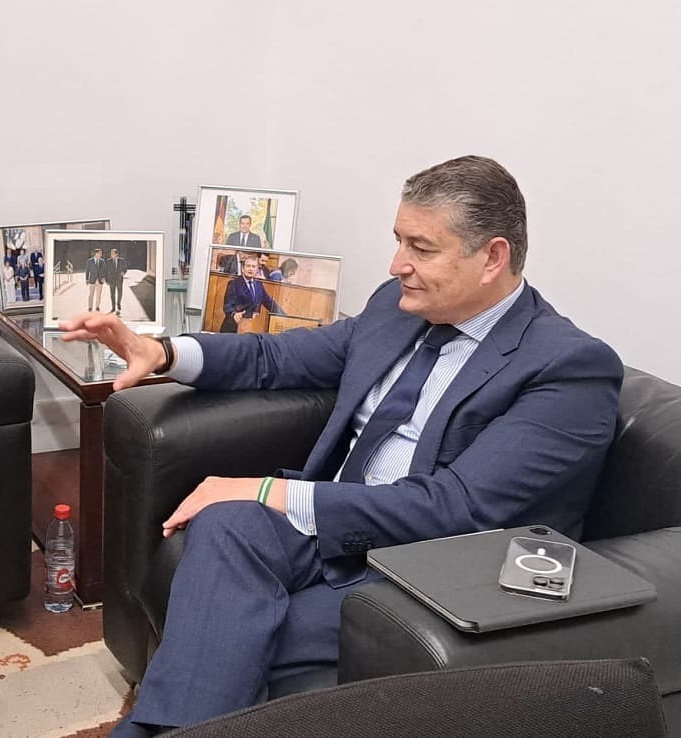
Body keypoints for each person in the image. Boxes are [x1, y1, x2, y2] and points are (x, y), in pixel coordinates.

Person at [59, 155, 623, 736]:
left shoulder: (566, 368)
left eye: (421, 248)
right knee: (227, 524)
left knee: (236, 638)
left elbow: (456, 508)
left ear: (493, 257)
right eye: (399, 240)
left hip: (418, 563)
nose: (397, 264)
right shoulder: (396, 307)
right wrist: (168, 353)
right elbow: (279, 357)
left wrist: (272, 491)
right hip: (333, 521)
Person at [220, 254, 284, 332]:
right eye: (248, 266)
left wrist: (283, 315)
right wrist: (234, 314)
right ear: (243, 269)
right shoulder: (234, 284)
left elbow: (269, 302)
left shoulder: (259, 285)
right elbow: (227, 305)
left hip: (250, 328)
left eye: (253, 267)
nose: (250, 269)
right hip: (233, 328)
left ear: (257, 270)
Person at [106, 247, 128, 315]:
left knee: (120, 292)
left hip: (119, 279)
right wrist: (107, 280)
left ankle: (118, 303)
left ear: (116, 254)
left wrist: (123, 272)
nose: (111, 255)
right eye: (111, 253)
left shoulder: (122, 260)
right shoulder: (108, 261)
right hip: (111, 279)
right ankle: (113, 307)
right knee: (112, 294)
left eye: (113, 253)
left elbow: (125, 268)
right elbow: (106, 271)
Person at [85, 247, 108, 311]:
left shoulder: (102, 261)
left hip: (100, 280)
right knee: (91, 294)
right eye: (100, 253)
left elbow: (104, 270)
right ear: (96, 254)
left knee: (98, 295)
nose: (101, 254)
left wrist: (104, 278)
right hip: (92, 280)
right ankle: (90, 307)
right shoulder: (89, 261)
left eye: (101, 253)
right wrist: (87, 279)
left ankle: (97, 306)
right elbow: (87, 271)